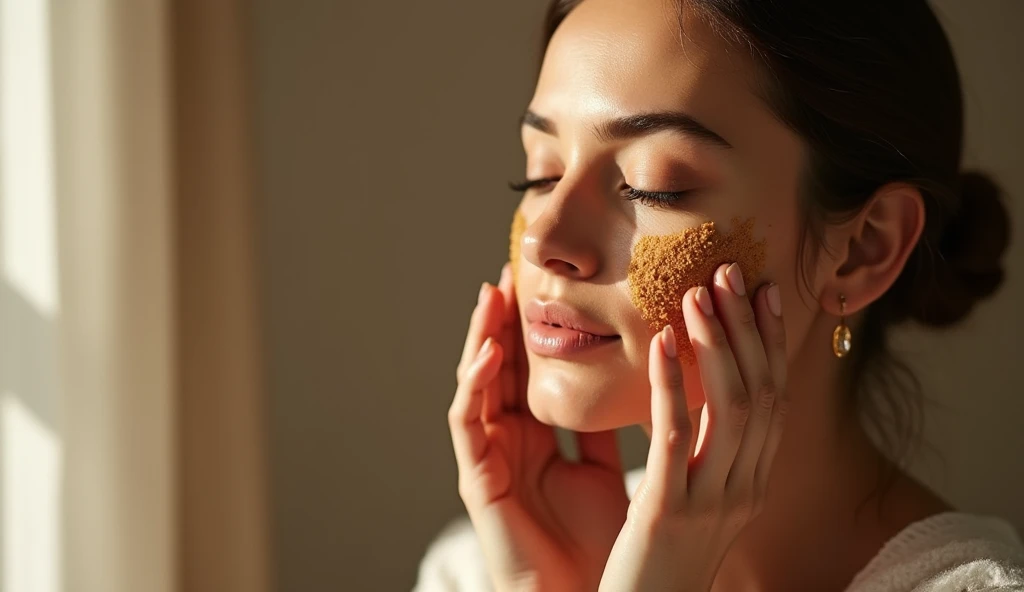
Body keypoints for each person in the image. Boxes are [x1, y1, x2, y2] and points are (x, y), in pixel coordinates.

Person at [416, 0, 1023, 590]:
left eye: (654, 186)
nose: (544, 238)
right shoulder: (477, 571)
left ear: (865, 247)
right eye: (542, 173)